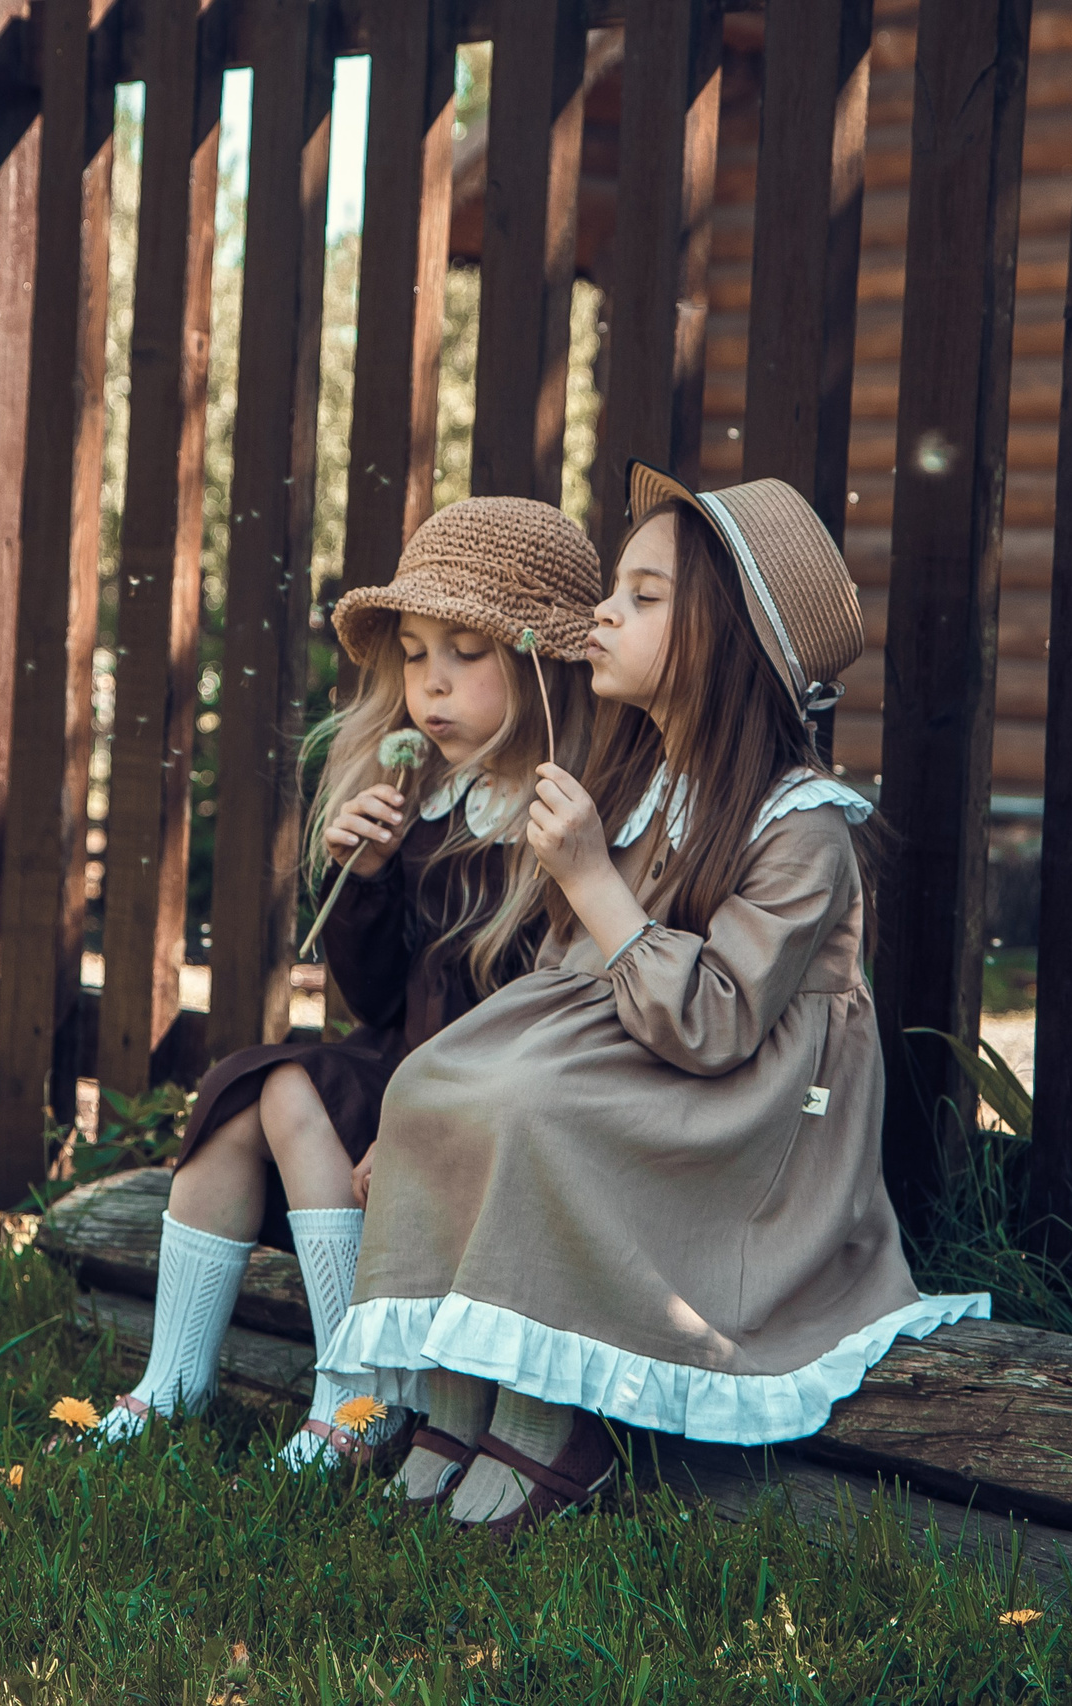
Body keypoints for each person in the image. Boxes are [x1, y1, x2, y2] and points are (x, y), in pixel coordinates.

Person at [322, 463, 985, 1529]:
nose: (603, 613)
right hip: (643, 1052)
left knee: (537, 1110)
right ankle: (452, 1401)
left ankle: (550, 1422)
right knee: (435, 1083)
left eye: (640, 596)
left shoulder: (803, 826)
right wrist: (447, 1089)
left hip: (742, 1120)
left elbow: (718, 1021)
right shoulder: (647, 785)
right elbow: (563, 983)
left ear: (723, 638)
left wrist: (589, 876)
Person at [89, 498, 598, 1468]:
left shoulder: (557, 814)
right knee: (244, 1082)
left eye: (464, 650)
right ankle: (174, 1378)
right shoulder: (426, 801)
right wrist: (362, 881)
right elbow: (375, 997)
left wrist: (411, 1122)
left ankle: (359, 1391)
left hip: (488, 1088)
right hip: (409, 1055)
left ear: (541, 662)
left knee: (285, 1084)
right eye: (412, 653)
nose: (430, 683)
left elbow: (550, 1008)